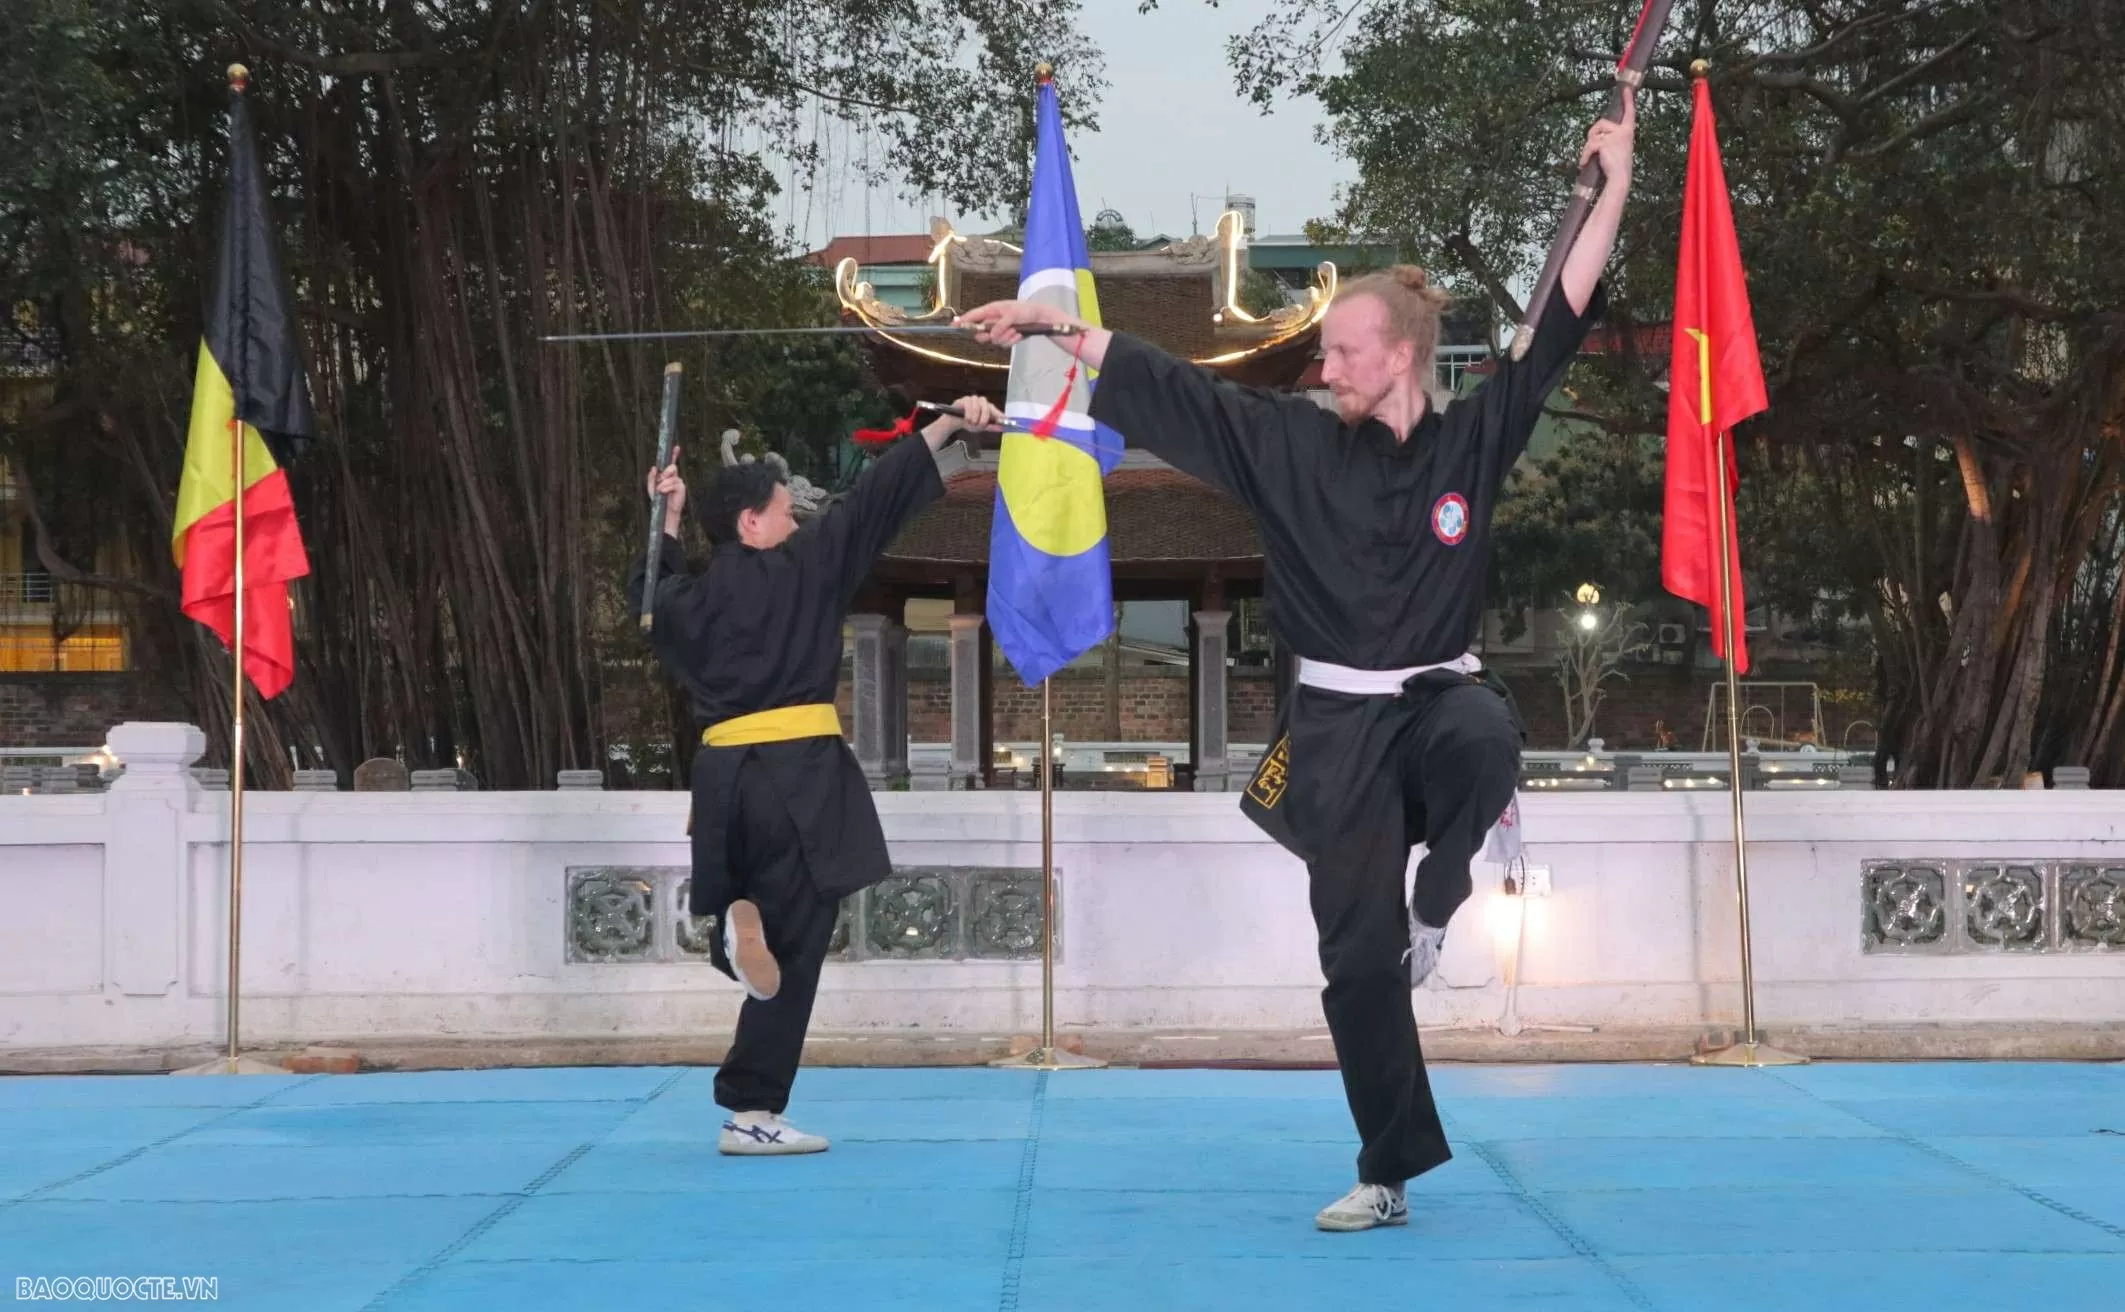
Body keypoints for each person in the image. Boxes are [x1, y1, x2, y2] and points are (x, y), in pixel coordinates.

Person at [959, 96, 1635, 1229]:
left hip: (1434, 706)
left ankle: (1441, 892)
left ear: (1404, 354)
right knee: (1356, 965)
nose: (1322, 364)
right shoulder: (1287, 445)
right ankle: (1388, 1167)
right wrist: (1058, 330)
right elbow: (1183, 394)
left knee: (1484, 731)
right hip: (1332, 740)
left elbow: (1558, 312)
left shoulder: (1476, 434)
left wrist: (1611, 183)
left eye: (1340, 349)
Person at [627, 395, 1002, 1156]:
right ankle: (753, 1109)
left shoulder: (685, 605)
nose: (797, 519)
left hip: (722, 784)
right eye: (782, 510)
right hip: (794, 778)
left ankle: (734, 928)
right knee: (795, 946)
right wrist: (943, 427)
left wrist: (664, 519)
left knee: (760, 923)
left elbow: (649, 593)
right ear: (751, 526)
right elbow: (875, 500)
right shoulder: (802, 568)